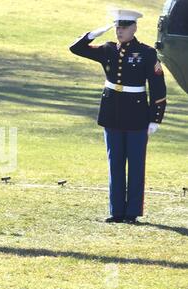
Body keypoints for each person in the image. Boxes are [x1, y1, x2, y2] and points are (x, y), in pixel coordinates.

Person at [69, 9, 167, 223]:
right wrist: (94, 33)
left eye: (124, 27)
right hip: (112, 113)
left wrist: (155, 119)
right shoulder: (108, 49)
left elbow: (158, 87)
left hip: (137, 115)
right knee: (115, 163)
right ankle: (116, 211)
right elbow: (75, 49)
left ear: (134, 28)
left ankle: (131, 212)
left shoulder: (147, 53)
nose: (119, 31)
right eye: (117, 27)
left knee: (135, 165)